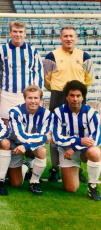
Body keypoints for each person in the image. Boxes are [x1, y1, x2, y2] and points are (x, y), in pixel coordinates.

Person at [43, 26, 94, 183]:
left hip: (78, 98)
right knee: (55, 136)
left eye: (71, 36)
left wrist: (77, 94)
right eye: (65, 36)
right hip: (58, 96)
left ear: (76, 38)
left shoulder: (85, 56)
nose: (68, 39)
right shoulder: (51, 56)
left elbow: (89, 79)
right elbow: (46, 80)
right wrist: (61, 92)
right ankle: (55, 168)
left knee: (79, 134)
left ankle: (77, 169)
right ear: (60, 38)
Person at [0, 85, 51, 196]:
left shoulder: (47, 114)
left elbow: (43, 142)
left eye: (36, 98)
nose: (33, 101)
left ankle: (34, 182)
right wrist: (44, 137)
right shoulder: (15, 112)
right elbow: (21, 137)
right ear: (24, 99)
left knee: (42, 150)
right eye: (30, 98)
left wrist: (27, 146)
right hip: (15, 146)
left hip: (29, 147)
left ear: (40, 99)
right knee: (16, 183)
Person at [51, 80, 101, 201]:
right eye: (72, 95)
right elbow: (57, 138)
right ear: (66, 97)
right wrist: (79, 140)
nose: (75, 99)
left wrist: (74, 147)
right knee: (71, 188)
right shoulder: (57, 113)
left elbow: (97, 139)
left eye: (78, 95)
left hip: (82, 150)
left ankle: (92, 186)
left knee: (95, 152)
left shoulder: (92, 113)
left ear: (83, 97)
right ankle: (76, 170)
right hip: (66, 151)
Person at [0, 21, 43, 125]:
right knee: (7, 125)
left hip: (26, 96)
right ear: (10, 33)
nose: (18, 34)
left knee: (27, 123)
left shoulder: (33, 51)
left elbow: (38, 74)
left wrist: (38, 95)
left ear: (25, 33)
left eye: (20, 31)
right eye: (15, 31)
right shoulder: (1, 51)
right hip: (7, 94)